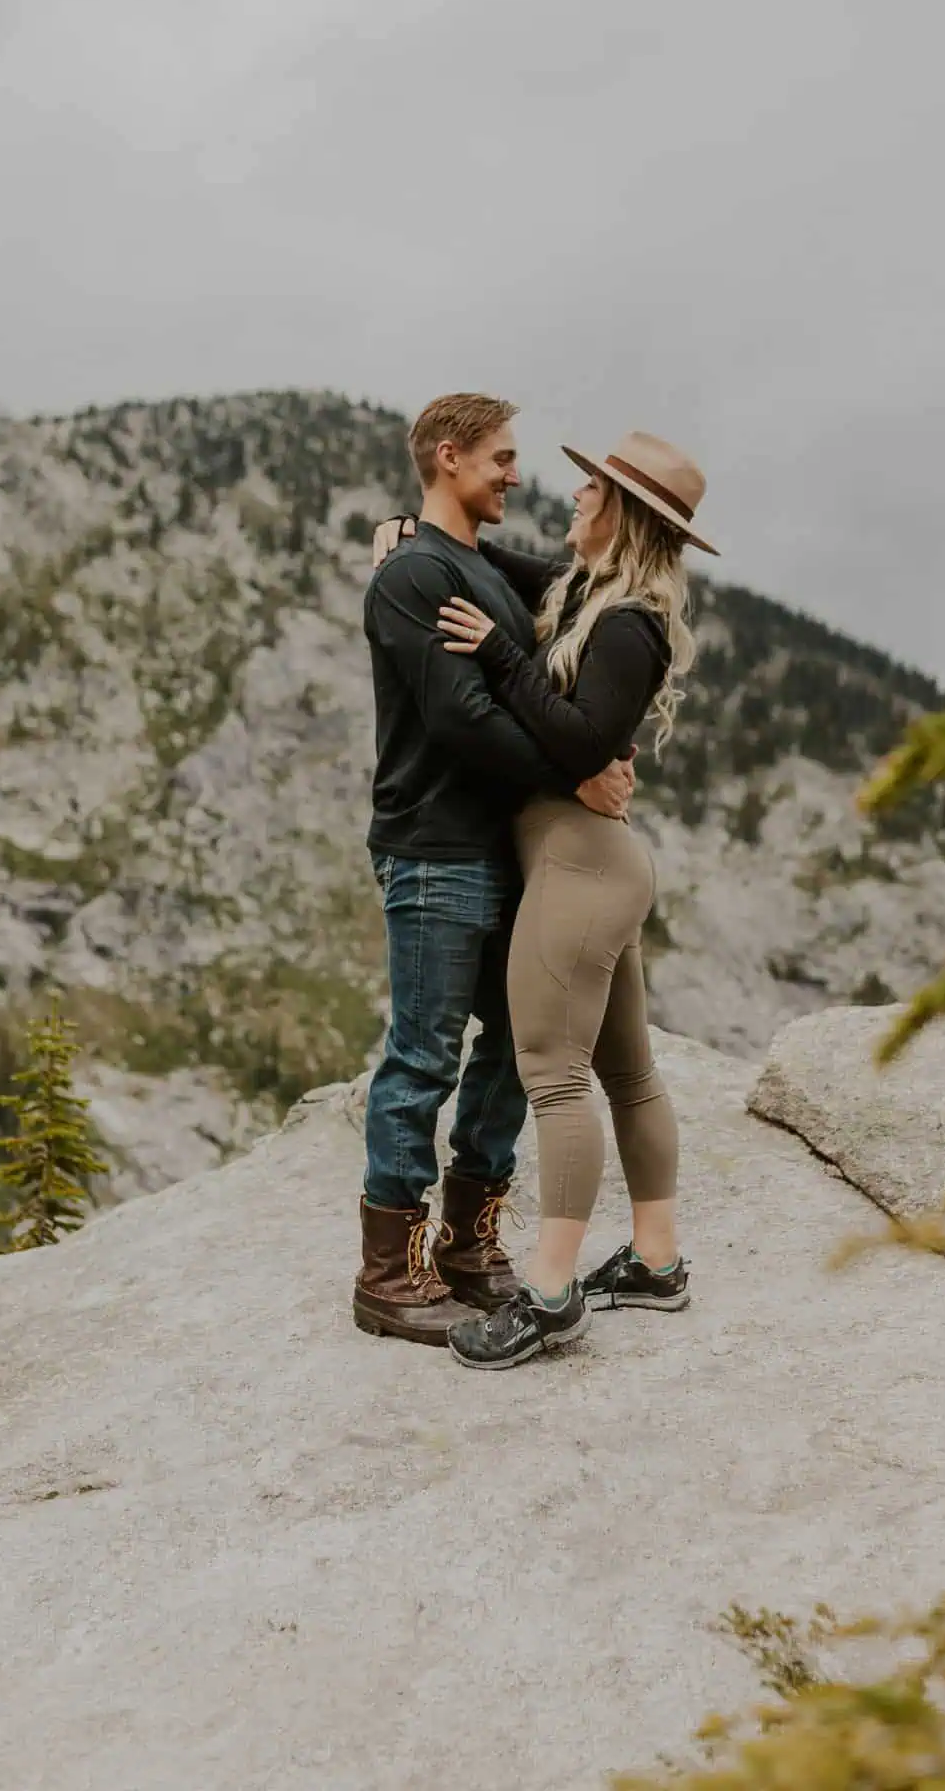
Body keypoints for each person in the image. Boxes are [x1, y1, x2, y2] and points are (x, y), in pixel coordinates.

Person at [378, 428, 716, 1371]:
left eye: (591, 490)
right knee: (630, 1076)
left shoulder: (628, 623)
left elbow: (579, 739)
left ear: (624, 514)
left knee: (553, 1075)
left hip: (580, 873)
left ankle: (551, 1293)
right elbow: (487, 558)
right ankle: (655, 1262)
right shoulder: (582, 593)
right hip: (596, 864)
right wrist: (410, 530)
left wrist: (495, 651)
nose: (571, 497)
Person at [354, 393, 636, 1346]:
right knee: (423, 1054)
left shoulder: (473, 565)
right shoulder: (412, 577)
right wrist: (577, 772)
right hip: (434, 847)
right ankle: (388, 1273)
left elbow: (576, 592)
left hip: (508, 851)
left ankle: (469, 1244)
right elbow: (460, 720)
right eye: (502, 459)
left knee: (519, 1043)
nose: (517, 475)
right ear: (448, 457)